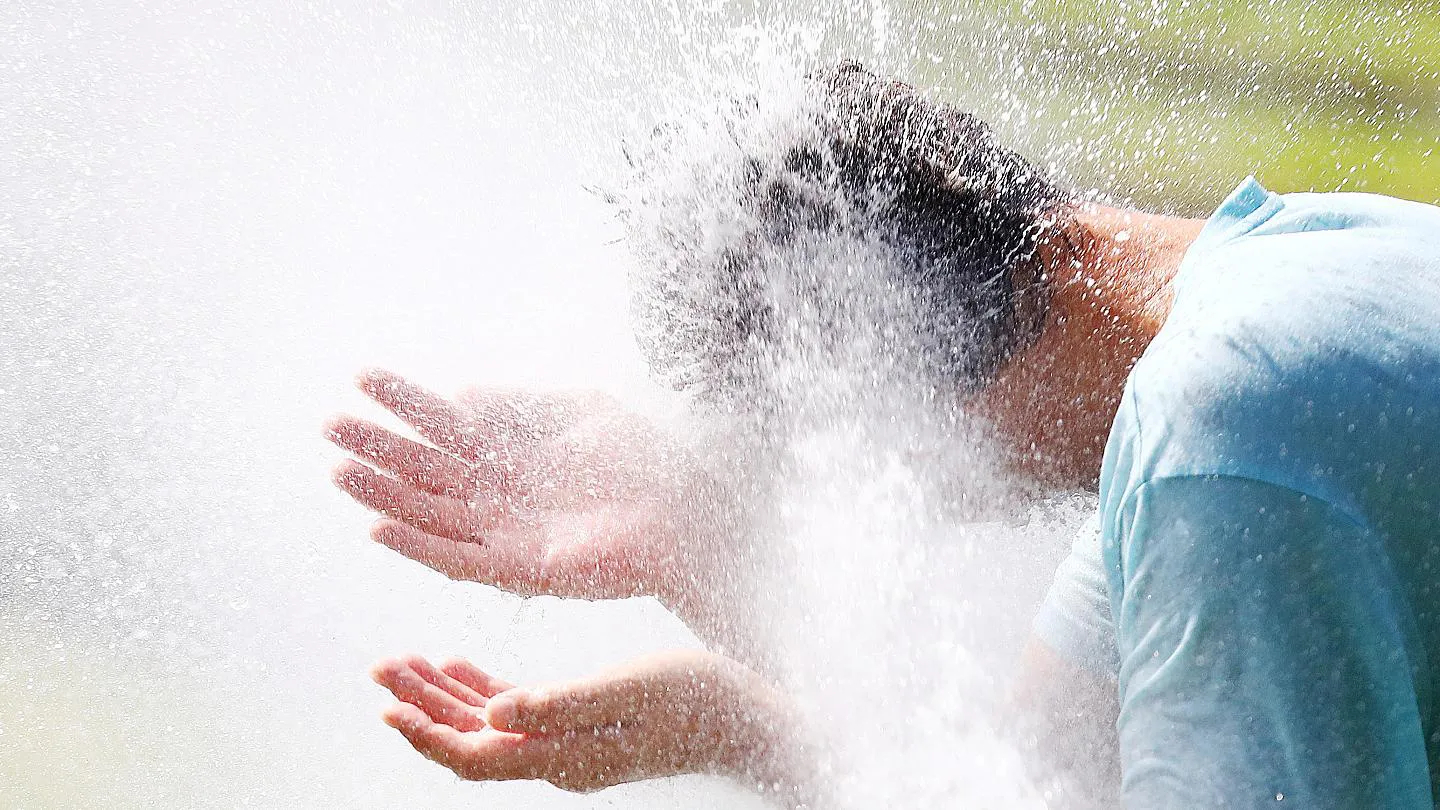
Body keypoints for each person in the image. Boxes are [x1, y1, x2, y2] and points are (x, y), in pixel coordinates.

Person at [326, 62, 1440, 808]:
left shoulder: (1219, 438)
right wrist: (732, 705)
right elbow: (1032, 777)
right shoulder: (1314, 266)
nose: (948, 505)